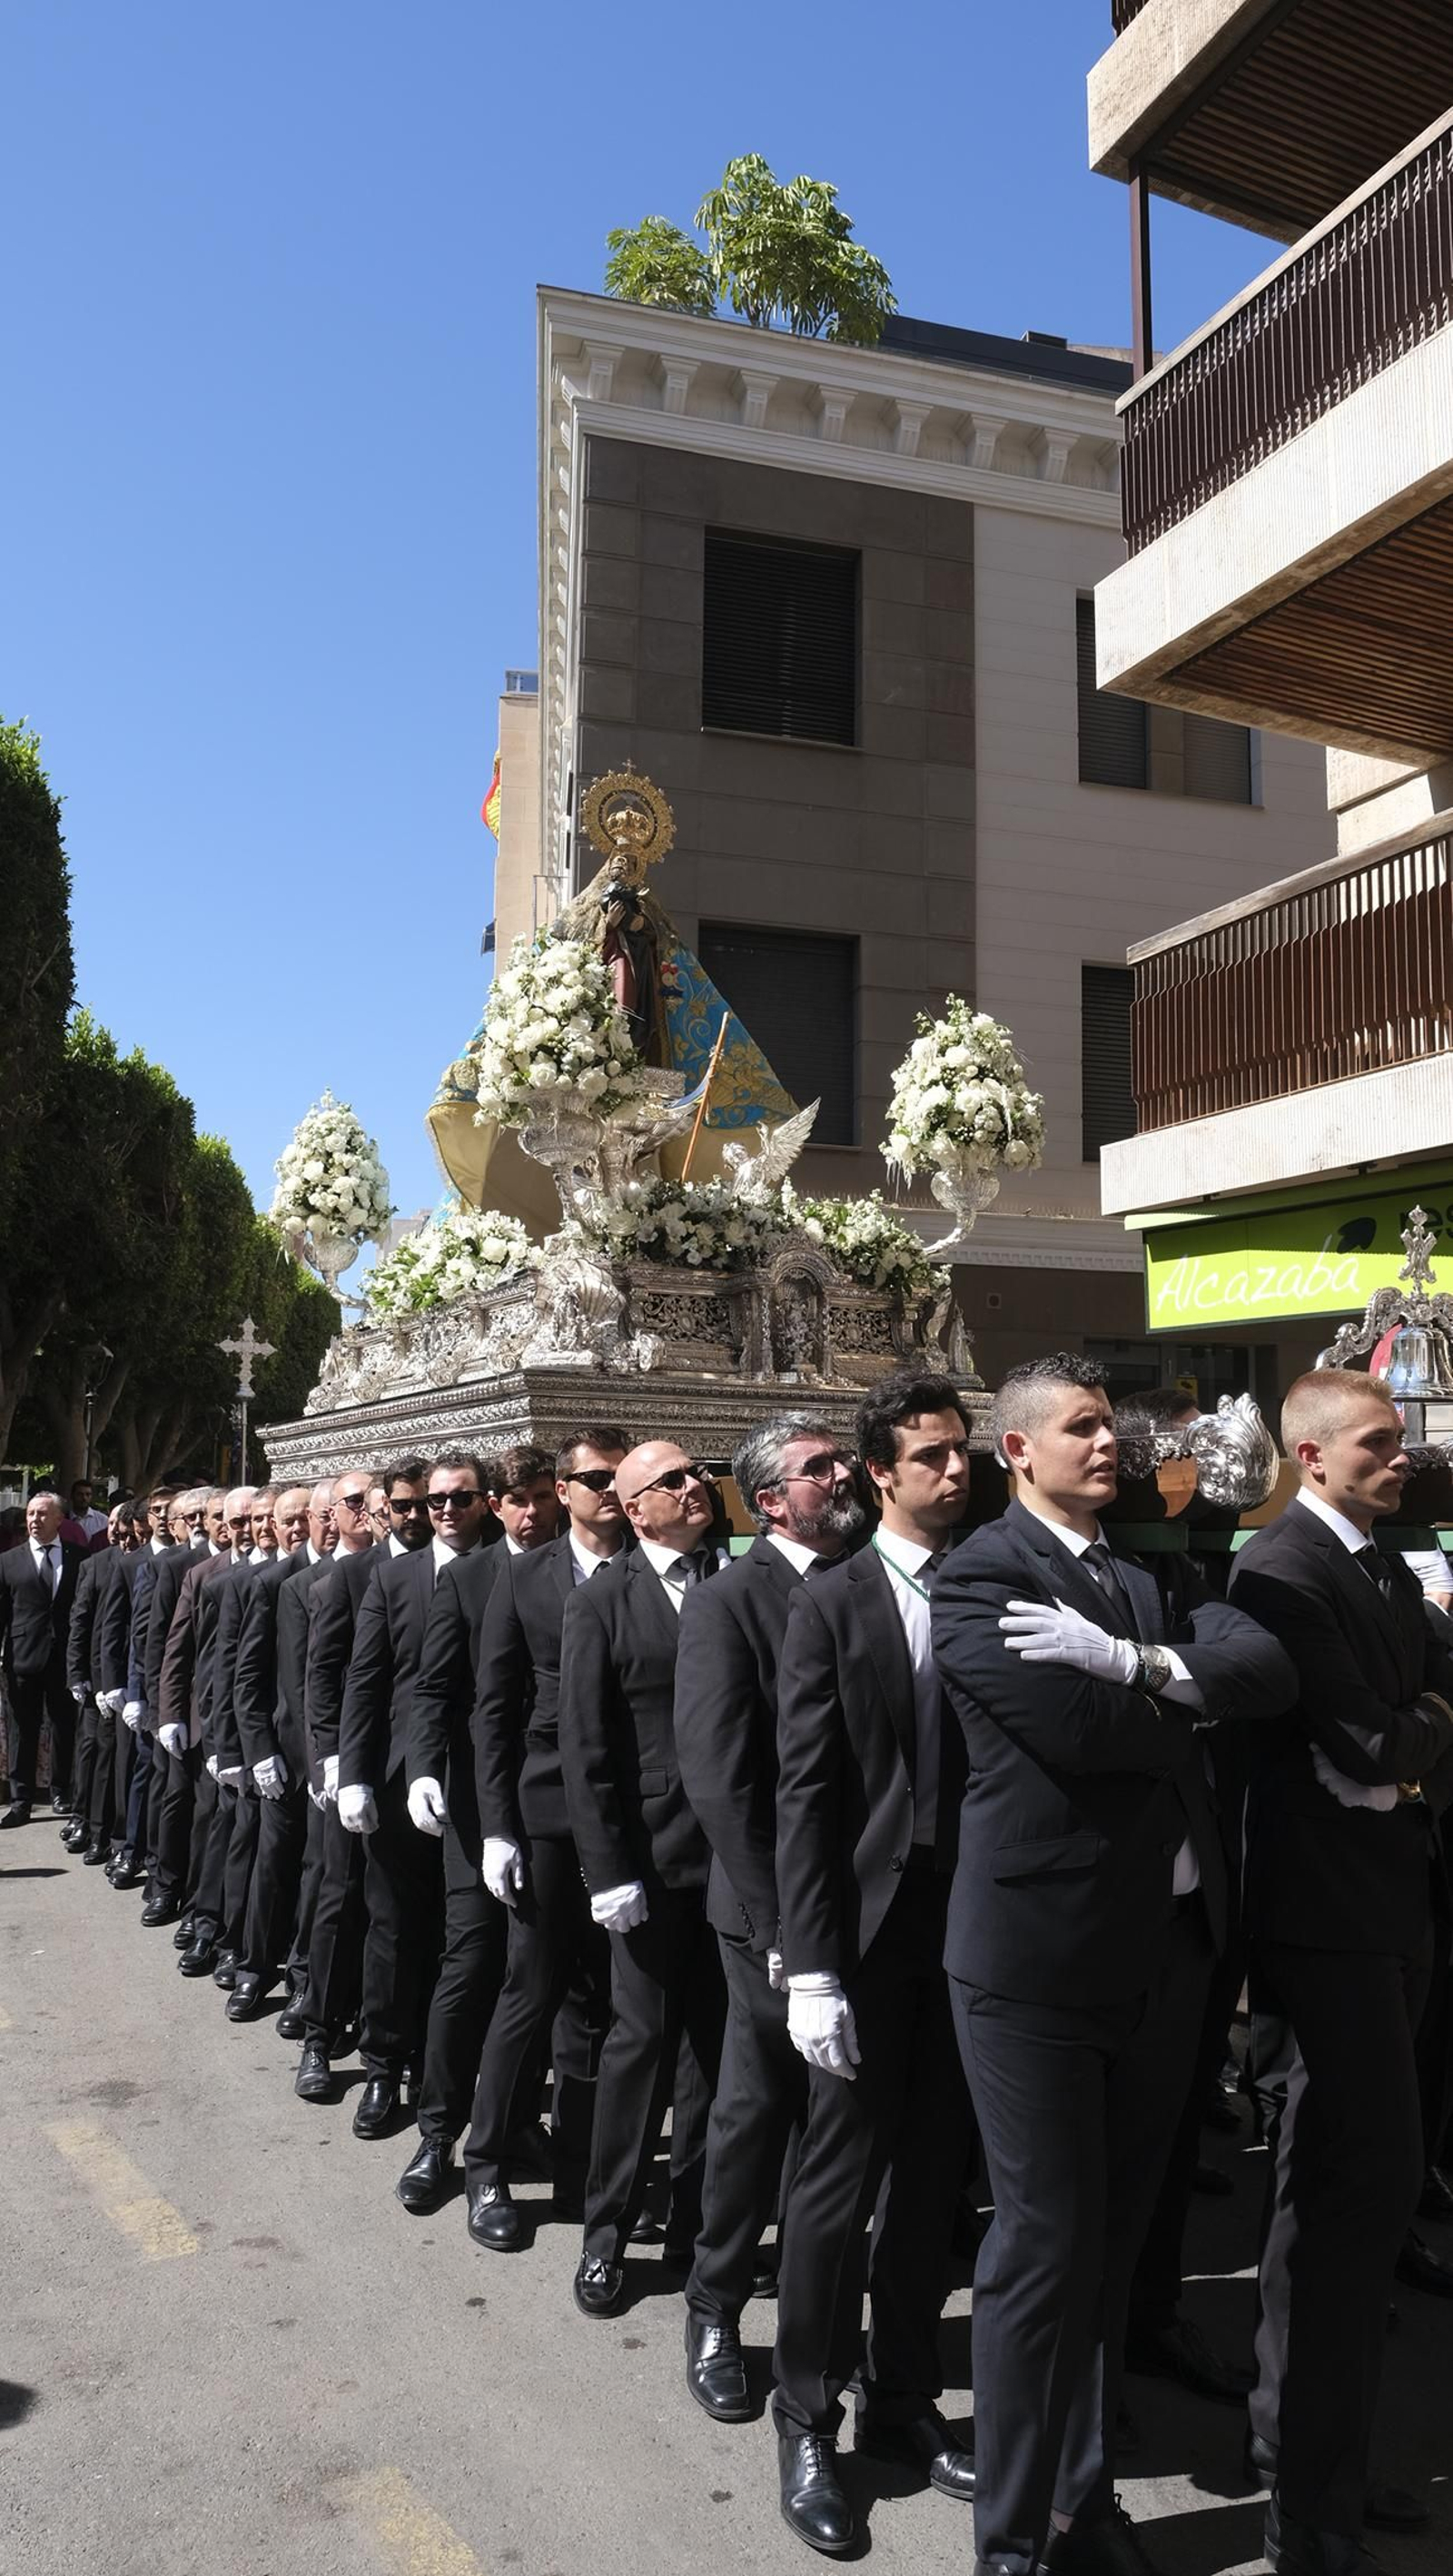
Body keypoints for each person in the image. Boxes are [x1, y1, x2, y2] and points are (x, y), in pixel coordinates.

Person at [932, 1352, 1295, 2576]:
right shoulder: (982, 1576)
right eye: (1081, 1428)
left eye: (1110, 1428)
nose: (1109, 1447)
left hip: (1166, 1957)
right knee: (1042, 2246)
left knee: (1110, 2239)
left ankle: (1081, 2504)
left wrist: (1147, 1665)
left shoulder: (1147, 1570)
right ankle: (1015, 2536)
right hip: (1039, 1960)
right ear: (1015, 1451)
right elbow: (1076, 1738)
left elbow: (1264, 1669)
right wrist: (1178, 1699)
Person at [1230, 1371, 1453, 2575]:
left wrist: (1411, 1737)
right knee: (1343, 2192)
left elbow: (1404, 1738)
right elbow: (1370, 1739)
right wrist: (1416, 1729)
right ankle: (1304, 2494)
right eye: (1378, 1441)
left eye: (1402, 1439)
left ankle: (1318, 2457)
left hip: (1395, 1902)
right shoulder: (1281, 1569)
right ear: (1311, 1457)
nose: (1401, 1456)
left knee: (1361, 2190)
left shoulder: (1383, 1558)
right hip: (1325, 1922)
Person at [769, 1375, 978, 2557]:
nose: (956, 1471)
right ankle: (809, 2418)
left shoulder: (993, 1580)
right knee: (836, 2187)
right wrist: (809, 1967)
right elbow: (806, 1793)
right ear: (881, 1473)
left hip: (972, 1926)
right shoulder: (836, 1603)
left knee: (934, 2181)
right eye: (933, 1456)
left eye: (963, 1453)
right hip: (865, 1929)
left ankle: (904, 2399)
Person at [673, 1414, 865, 2426]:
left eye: (842, 1460)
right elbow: (721, 1776)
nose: (842, 1476)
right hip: (769, 1916)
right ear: (768, 1499)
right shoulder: (731, 1600)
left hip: (863, 1901)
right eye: (818, 1467)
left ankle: (822, 2316)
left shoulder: (869, 1577)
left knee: (838, 2129)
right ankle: (714, 2302)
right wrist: (783, 1923)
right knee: (754, 2113)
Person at [558, 1440, 728, 2318]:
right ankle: (607, 2230)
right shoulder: (600, 1603)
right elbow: (586, 1750)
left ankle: (696, 2233)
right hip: (651, 1864)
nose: (693, 1486)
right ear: (631, 1507)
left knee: (713, 2055)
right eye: (670, 1480)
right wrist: (609, 1869)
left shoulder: (734, 1582)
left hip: (734, 1868)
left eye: (695, 1472)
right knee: (639, 2048)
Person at [462, 1425, 629, 2248]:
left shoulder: (653, 1568)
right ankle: (485, 2161)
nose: (608, 1488)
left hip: (630, 1819)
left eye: (617, 1474)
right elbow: (493, 1710)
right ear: (562, 1490)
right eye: (593, 1476)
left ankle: (583, 2171)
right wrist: (499, 1828)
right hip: (547, 1818)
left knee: (598, 2002)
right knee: (530, 1989)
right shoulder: (525, 1577)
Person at [394, 1449, 558, 2214]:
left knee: (541, 1974)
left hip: (556, 1800)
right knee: (471, 1962)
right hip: (477, 1799)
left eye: (538, 1496)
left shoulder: (581, 1568)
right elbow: (433, 1687)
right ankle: (437, 2133)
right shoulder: (468, 1577)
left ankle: (519, 2118)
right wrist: (424, 1768)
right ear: (496, 1505)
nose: (529, 1512)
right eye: (514, 1499)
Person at [336, 1452, 492, 2139]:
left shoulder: (509, 1568)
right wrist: (353, 1774)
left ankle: (458, 2075)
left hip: (480, 1783)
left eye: (462, 1498)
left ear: (484, 1501)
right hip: (400, 1776)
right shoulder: (392, 1578)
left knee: (468, 1942)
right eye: (436, 1502)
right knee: (394, 1928)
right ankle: (383, 2064)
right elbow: (365, 1681)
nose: (448, 1512)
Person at [295, 1456, 429, 2107]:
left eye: (421, 1503)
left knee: (403, 1920)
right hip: (357, 1767)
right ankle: (319, 2034)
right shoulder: (349, 1577)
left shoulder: (459, 1562)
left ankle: (404, 2049)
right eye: (399, 1505)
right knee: (340, 1899)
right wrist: (332, 1764)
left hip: (421, 1771)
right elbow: (325, 1678)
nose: (413, 1516)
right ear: (381, 1510)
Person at [227, 1481, 337, 2019]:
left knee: (318, 1874)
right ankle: (254, 1968)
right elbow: (247, 1676)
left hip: (328, 1760)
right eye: (295, 1519)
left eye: (310, 1517)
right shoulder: (272, 1582)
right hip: (282, 1754)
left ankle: (303, 1976)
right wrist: (258, 1750)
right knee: (272, 1866)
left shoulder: (355, 1574)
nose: (301, 1527)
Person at [0, 1490, 85, 1826]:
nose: (34, 1520)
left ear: (59, 1519)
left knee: (64, 1725)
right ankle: (21, 1800)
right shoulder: (8, 1561)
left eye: (42, 1514)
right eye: (31, 1514)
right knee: (23, 1727)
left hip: (65, 1657)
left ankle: (60, 1790)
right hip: (23, 1657)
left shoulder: (78, 1558)